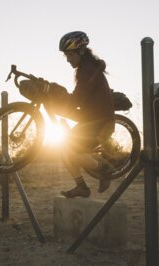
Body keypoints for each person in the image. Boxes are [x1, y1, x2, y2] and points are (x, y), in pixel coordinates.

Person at [52, 31, 115, 198]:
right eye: (66, 55)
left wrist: (56, 95)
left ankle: (104, 169)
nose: (67, 59)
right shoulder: (84, 69)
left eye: (69, 55)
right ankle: (81, 187)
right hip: (91, 121)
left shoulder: (88, 70)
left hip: (101, 123)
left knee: (70, 150)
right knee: (63, 148)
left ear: (80, 51)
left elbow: (77, 100)